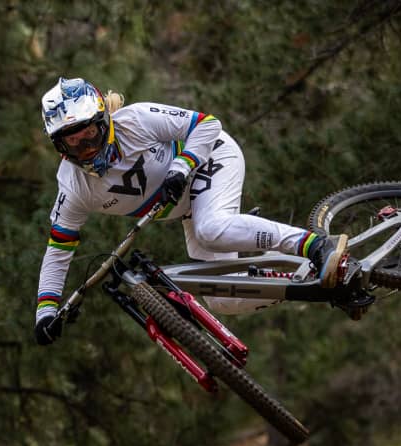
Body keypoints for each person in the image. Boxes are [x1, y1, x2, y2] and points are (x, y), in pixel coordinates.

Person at [33, 77, 347, 346]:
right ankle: (312, 282)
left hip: (210, 159)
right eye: (72, 143)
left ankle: (316, 245)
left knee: (211, 228)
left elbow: (208, 124)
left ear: (103, 122)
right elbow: (58, 251)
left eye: (89, 134)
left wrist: (183, 165)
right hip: (187, 206)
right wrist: (45, 311)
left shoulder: (137, 120)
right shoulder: (73, 187)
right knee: (224, 299)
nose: (86, 149)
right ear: (59, 148)